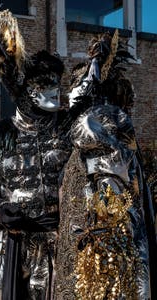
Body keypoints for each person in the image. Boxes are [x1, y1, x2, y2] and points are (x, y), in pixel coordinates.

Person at [0, 10, 71, 300]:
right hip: (20, 250)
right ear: (26, 88)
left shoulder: (70, 131)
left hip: (65, 248)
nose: (55, 90)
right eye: (44, 84)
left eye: (56, 83)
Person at [54, 31, 157, 299]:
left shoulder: (106, 136)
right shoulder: (86, 141)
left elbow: (115, 211)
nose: (70, 96)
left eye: (77, 88)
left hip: (105, 258)